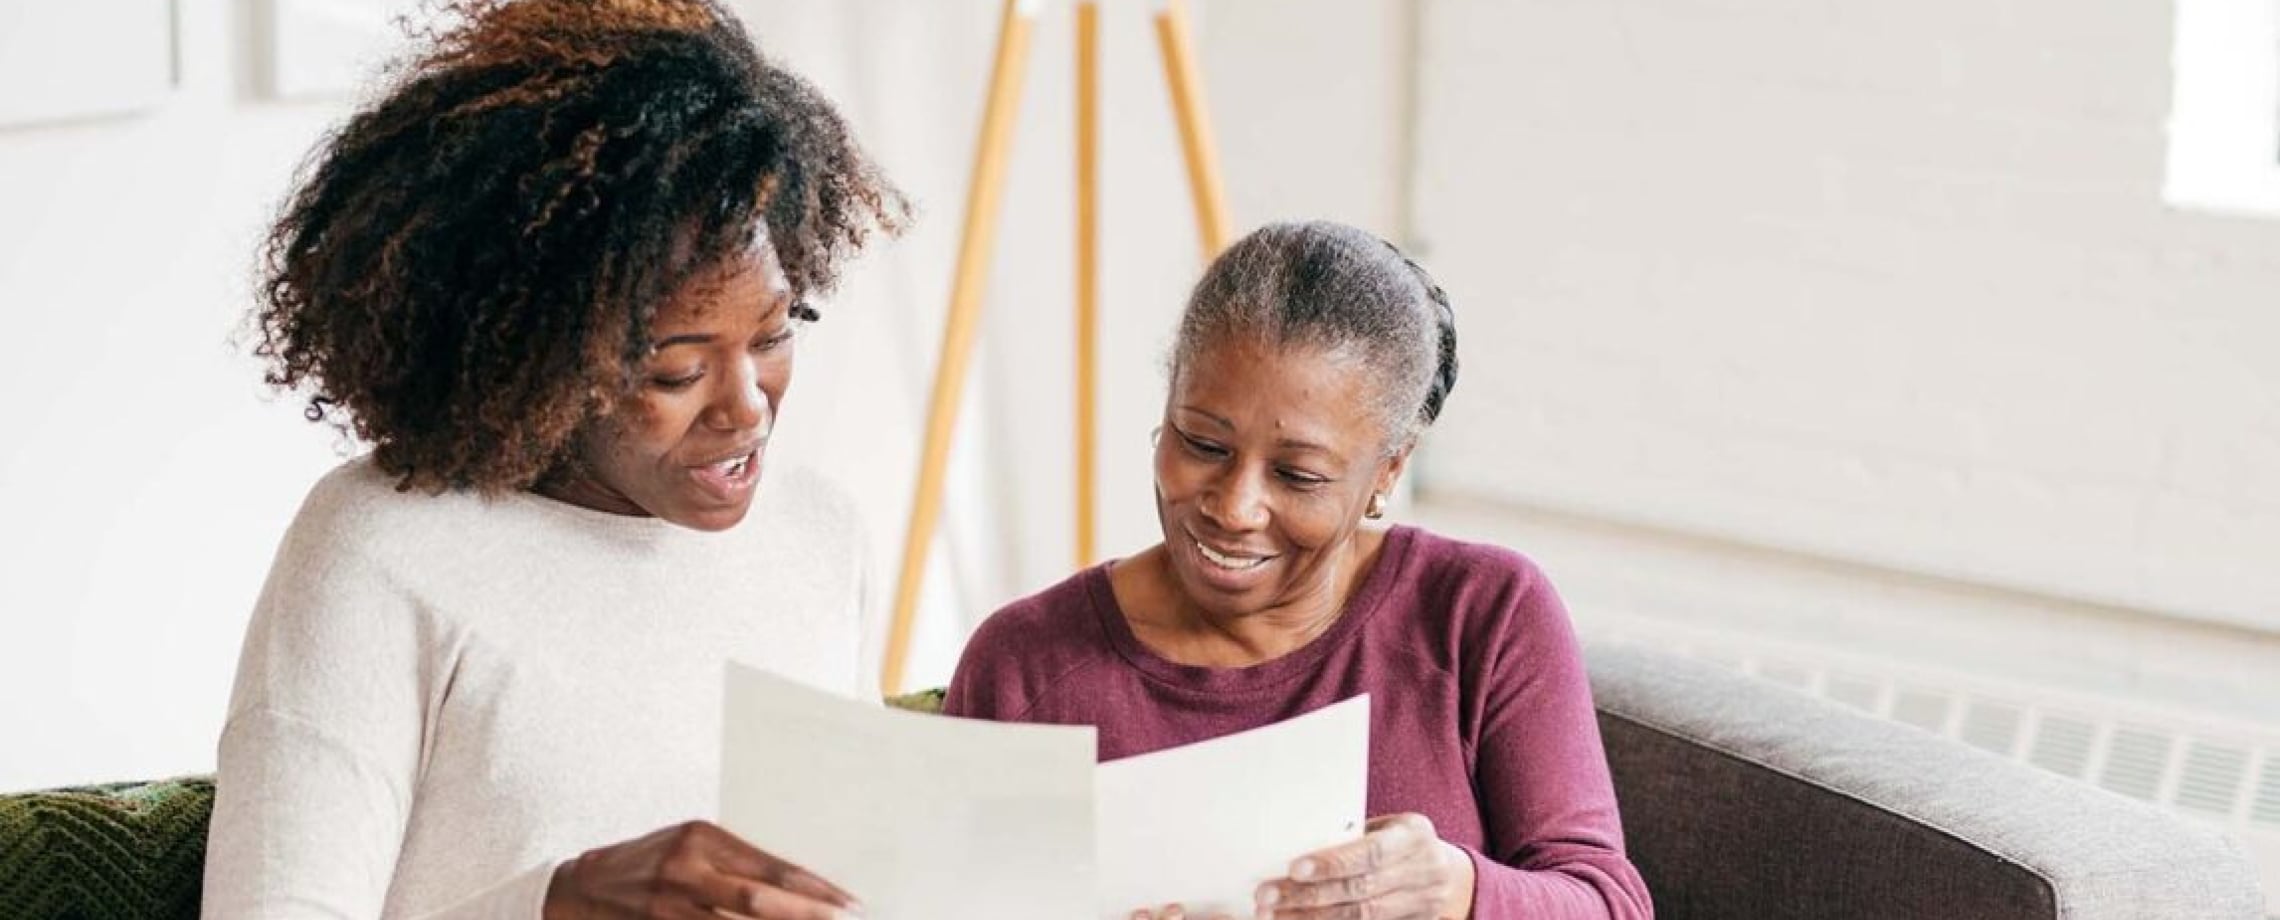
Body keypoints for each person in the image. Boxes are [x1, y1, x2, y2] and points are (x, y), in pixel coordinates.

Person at [203, 1, 905, 916]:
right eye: (677, 368)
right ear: (538, 353)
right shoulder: (382, 549)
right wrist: (557, 902)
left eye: (775, 335)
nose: (746, 408)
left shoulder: (817, 535)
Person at [943, 221, 1653, 920]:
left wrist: (1454, 891)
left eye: (1298, 475)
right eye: (1201, 442)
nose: (1235, 507)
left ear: (1388, 471)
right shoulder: (1023, 667)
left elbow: (1608, 904)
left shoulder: (1482, 614)